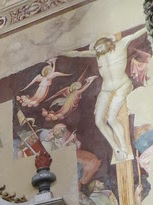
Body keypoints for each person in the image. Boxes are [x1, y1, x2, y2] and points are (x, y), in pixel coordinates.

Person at [62, 28, 146, 160]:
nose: (99, 49)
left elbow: (135, 34)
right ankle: (116, 148)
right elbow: (78, 54)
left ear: (108, 42)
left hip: (122, 86)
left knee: (111, 119)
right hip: (106, 89)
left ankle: (123, 147)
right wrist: (58, 52)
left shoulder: (121, 44)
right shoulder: (97, 54)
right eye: (97, 48)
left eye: (100, 46)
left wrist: (148, 25)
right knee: (98, 121)